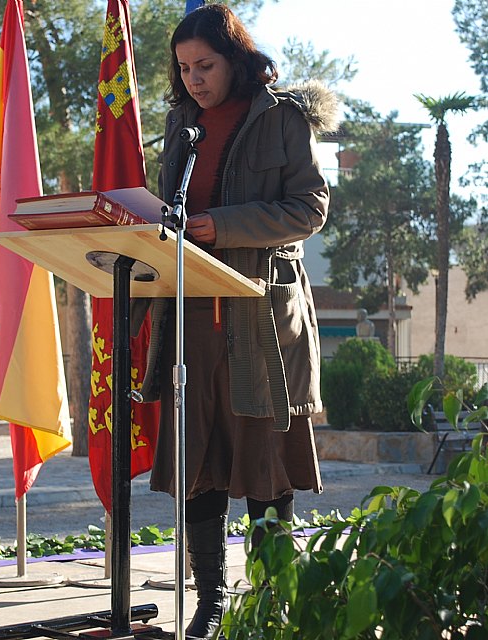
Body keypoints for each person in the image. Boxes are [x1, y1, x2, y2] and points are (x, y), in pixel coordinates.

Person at [131, 4, 338, 638]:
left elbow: (310, 207)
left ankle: (274, 599)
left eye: (206, 65)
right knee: (202, 462)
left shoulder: (282, 119)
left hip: (260, 321)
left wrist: (225, 224)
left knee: (262, 463)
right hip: (191, 317)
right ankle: (211, 602)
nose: (194, 79)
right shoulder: (181, 124)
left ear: (236, 59)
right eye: (184, 67)